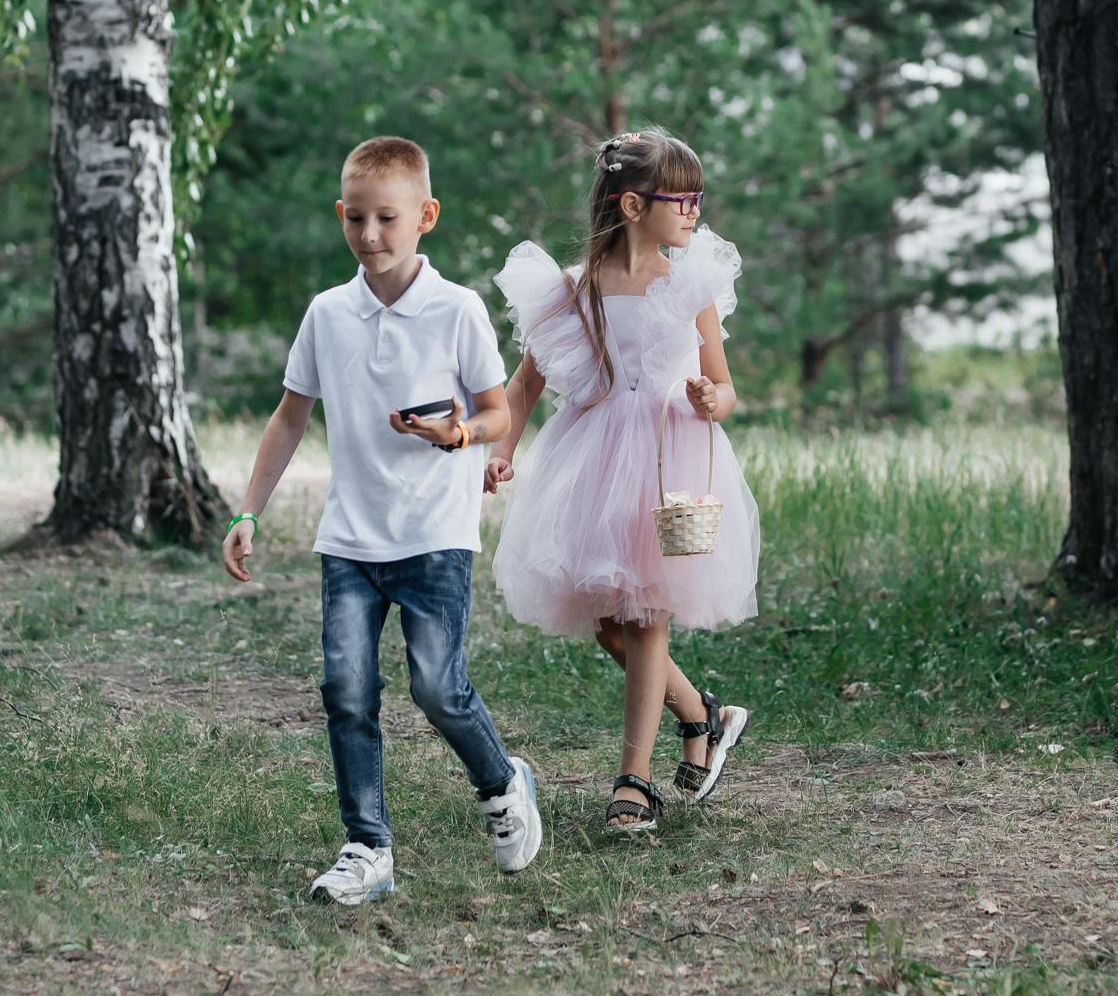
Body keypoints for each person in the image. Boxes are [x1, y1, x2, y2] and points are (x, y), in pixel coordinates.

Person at [219, 135, 542, 905]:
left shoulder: (458, 309)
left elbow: (498, 411)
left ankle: (501, 782)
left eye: (387, 219)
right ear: (341, 215)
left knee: (436, 685)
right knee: (347, 691)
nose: (370, 235)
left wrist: (459, 435)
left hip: (435, 537)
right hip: (350, 543)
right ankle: (367, 846)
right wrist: (248, 511)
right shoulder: (327, 314)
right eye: (356, 219)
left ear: (425, 216)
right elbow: (290, 417)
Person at [489, 127, 760, 835]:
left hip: (669, 459)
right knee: (613, 626)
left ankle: (633, 782)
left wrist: (712, 399)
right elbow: (523, 387)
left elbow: (726, 386)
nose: (696, 210)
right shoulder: (573, 293)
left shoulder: (689, 285)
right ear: (634, 204)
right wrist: (503, 449)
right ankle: (703, 713)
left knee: (646, 620)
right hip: (593, 464)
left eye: (699, 198)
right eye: (684, 198)